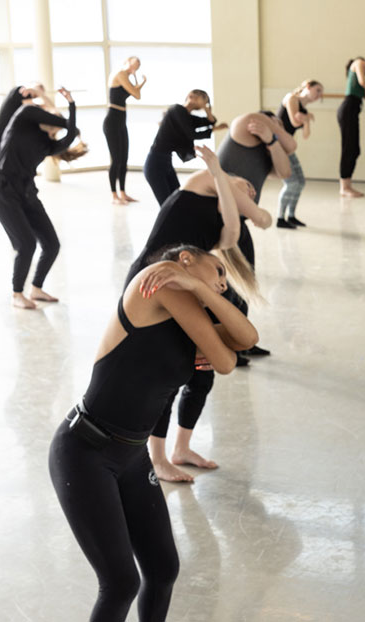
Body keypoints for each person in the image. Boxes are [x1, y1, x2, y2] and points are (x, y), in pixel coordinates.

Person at [49, 243, 259, 622]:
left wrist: (199, 289)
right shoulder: (155, 283)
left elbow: (246, 340)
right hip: (85, 452)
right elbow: (226, 363)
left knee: (163, 570)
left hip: (132, 457)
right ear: (185, 259)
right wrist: (205, 324)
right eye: (218, 270)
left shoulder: (188, 318)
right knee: (120, 583)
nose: (223, 284)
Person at [126, 147, 271, 482]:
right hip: (158, 278)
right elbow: (263, 218)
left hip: (188, 286)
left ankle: (182, 448)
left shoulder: (224, 225)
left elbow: (236, 231)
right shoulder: (205, 179)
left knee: (201, 370)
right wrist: (221, 173)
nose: (249, 190)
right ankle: (158, 458)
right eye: (245, 185)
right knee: (169, 373)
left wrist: (235, 199)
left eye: (253, 191)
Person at [0, 87, 83, 309]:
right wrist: (48, 101)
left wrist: (71, 105)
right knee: (27, 244)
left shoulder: (47, 144)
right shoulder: (23, 119)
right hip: (3, 190)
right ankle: (17, 294)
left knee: (51, 244)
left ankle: (36, 289)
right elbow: (61, 124)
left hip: (27, 194)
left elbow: (71, 132)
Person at [217, 111, 295, 358]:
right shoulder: (243, 125)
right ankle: (231, 344)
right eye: (274, 123)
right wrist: (276, 131)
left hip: (238, 221)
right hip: (221, 219)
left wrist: (272, 141)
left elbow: (285, 173)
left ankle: (241, 341)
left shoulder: (266, 148)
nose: (278, 128)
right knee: (230, 283)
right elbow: (290, 143)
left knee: (244, 279)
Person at [143, 89, 226, 207]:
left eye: (204, 99)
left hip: (165, 162)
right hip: (155, 164)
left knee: (177, 200)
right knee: (167, 205)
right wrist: (214, 129)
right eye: (203, 99)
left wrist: (207, 110)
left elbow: (210, 121)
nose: (203, 101)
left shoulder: (186, 116)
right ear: (190, 96)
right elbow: (192, 134)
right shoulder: (177, 110)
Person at [276, 80, 324, 228]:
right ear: (308, 87)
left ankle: (291, 216)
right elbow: (294, 121)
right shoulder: (292, 98)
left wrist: (307, 120)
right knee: (292, 183)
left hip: (287, 147)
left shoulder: (304, 109)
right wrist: (305, 119)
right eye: (318, 90)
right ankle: (280, 218)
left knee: (301, 182)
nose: (319, 95)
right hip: (278, 147)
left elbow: (306, 135)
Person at [104, 56, 146, 205]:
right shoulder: (121, 74)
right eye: (135, 64)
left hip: (121, 120)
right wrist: (139, 82)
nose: (136, 67)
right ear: (127, 62)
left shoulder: (127, 78)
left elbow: (136, 94)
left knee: (124, 159)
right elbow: (136, 94)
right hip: (112, 121)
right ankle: (114, 195)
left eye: (138, 66)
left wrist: (139, 82)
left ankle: (123, 192)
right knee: (115, 159)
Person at [337, 56, 365, 198]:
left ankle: (347, 184)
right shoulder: (358, 62)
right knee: (349, 148)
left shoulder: (363, 70)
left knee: (355, 149)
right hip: (348, 109)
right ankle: (344, 187)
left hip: (353, 111)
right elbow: (364, 84)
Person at [0, 82, 44, 161]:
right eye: (36, 93)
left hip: (5, 143)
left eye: (36, 96)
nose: (35, 96)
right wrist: (39, 93)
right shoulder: (19, 91)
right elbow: (34, 108)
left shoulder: (25, 103)